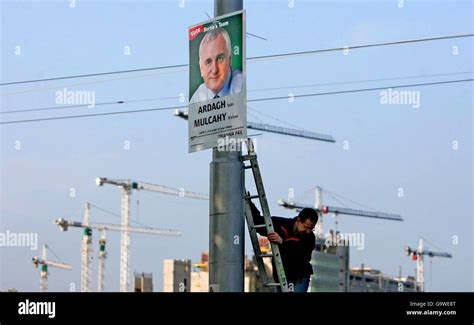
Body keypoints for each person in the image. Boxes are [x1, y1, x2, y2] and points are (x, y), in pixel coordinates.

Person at [249, 199, 318, 292]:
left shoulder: (310, 238)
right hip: (281, 278)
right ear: (298, 220)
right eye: (306, 227)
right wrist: (249, 203)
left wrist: (282, 242)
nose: (308, 231)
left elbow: (300, 256)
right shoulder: (281, 225)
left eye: (311, 229)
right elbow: (258, 223)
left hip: (299, 278)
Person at [189, 27, 242, 104]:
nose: (214, 70)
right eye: (208, 62)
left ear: (230, 59)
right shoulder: (198, 97)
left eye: (220, 58)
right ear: (201, 68)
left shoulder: (242, 85)